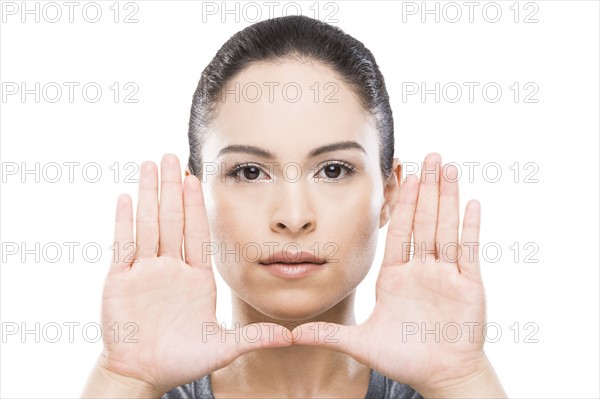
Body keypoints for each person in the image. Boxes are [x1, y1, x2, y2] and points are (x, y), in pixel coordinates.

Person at [81, 15, 507, 398]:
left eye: (334, 170)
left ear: (388, 193)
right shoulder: (142, 389)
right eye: (249, 172)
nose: (293, 217)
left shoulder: (443, 388)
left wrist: (461, 379)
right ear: (194, 194)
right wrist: (126, 379)